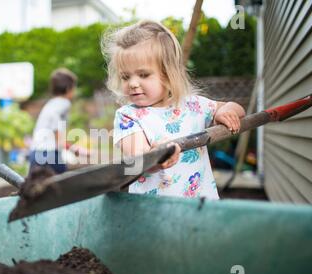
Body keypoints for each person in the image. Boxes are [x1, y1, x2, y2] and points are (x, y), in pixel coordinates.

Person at [102, 20, 245, 199]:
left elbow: (237, 108)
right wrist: (157, 157)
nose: (132, 83)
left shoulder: (193, 105)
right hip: (155, 212)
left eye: (143, 75)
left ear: (168, 75)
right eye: (125, 77)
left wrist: (225, 111)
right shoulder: (128, 116)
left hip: (201, 206)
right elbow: (138, 159)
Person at [29, 68, 78, 174]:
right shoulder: (64, 103)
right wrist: (69, 148)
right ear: (69, 88)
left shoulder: (51, 103)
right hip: (49, 155)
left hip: (35, 154)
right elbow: (56, 128)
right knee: (64, 185)